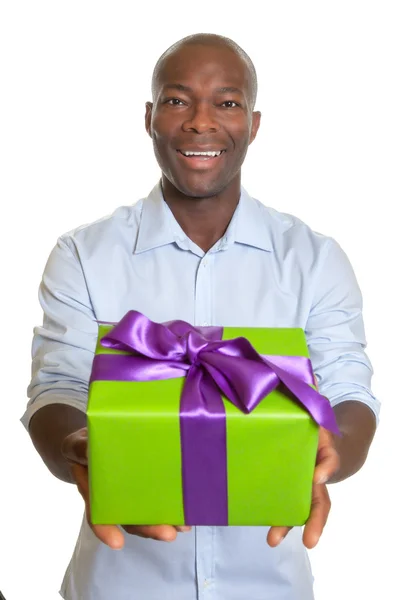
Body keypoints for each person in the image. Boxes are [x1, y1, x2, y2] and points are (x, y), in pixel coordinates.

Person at [22, 33, 379, 600]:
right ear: (149, 118)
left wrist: (331, 451)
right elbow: (54, 389)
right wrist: (82, 448)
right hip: (120, 585)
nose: (200, 121)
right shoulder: (83, 254)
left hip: (268, 585)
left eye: (228, 102)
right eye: (177, 99)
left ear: (254, 124)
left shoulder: (313, 259)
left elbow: (348, 390)